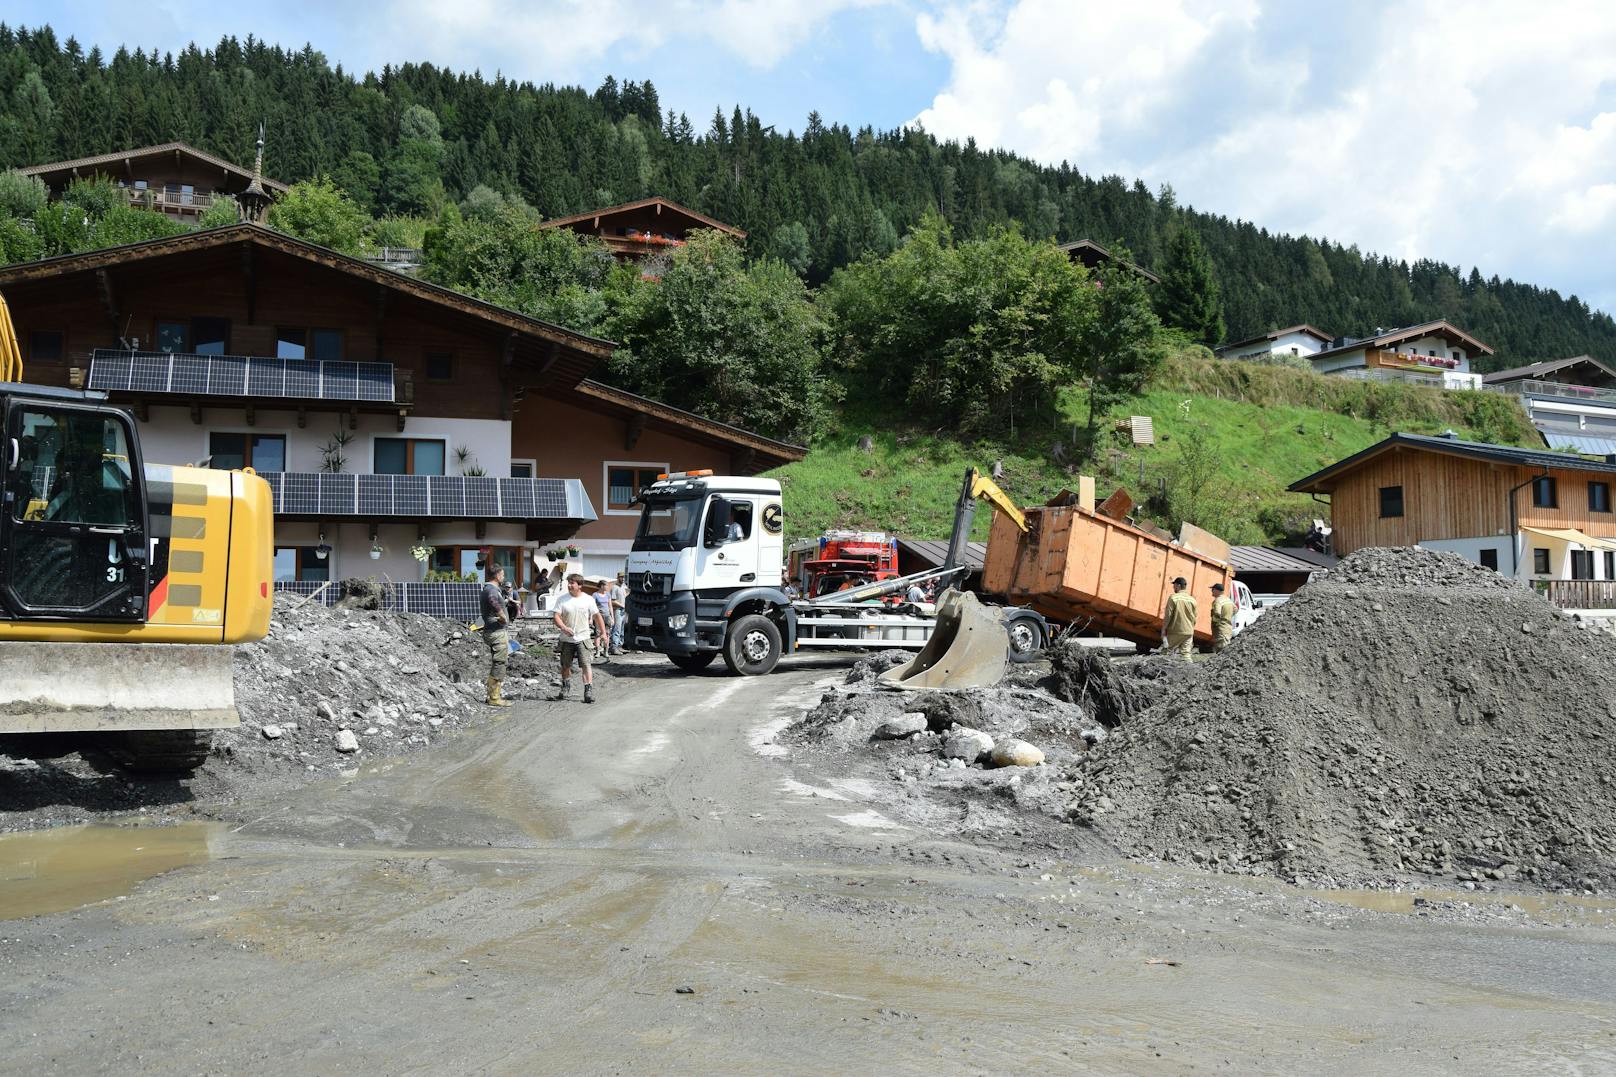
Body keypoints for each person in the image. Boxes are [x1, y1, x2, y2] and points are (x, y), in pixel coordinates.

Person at [553, 574, 607, 703]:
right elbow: (556, 616)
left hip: (583, 638)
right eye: (569, 583)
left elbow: (597, 616)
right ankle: (565, 687)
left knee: (586, 665)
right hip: (566, 639)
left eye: (572, 583)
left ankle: (588, 691)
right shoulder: (562, 599)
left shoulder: (588, 599)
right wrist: (564, 628)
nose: (569, 585)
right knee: (565, 665)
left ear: (580, 585)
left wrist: (603, 633)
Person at [480, 565, 513, 707]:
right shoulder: (491, 590)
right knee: (500, 664)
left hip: (494, 631)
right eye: (503, 574)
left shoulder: (488, 589)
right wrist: (502, 616)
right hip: (496, 632)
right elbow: (493, 600)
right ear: (497, 575)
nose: (504, 577)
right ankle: (494, 698)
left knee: (498, 663)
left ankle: (492, 695)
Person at [1161, 576, 1198, 661]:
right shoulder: (1192, 600)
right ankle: (1191, 671)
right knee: (1186, 654)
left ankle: (1166, 671)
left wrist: (1164, 629)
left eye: (1174, 585)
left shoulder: (1173, 598)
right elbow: (1195, 617)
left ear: (1178, 585)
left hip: (1175, 630)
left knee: (1167, 651)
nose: (1173, 587)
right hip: (1189, 631)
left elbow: (1168, 615)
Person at [1210, 582, 1236, 653]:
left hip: (1221, 628)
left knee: (1221, 649)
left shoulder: (1217, 601)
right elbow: (1235, 609)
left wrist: (1216, 624)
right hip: (1228, 627)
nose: (1211, 591)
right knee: (1226, 647)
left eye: (1213, 589)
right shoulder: (1228, 600)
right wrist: (1227, 616)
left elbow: (1217, 613)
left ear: (1217, 590)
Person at [592, 581, 613, 660]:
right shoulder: (595, 595)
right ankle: (597, 651)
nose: (607, 587)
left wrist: (612, 617)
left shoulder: (608, 594)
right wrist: (591, 617)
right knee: (598, 634)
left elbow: (610, 606)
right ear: (601, 586)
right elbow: (592, 606)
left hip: (607, 616)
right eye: (606, 585)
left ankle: (606, 651)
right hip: (599, 616)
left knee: (607, 634)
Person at [609, 571, 629, 655]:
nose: (623, 579)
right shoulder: (614, 587)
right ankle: (614, 647)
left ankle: (620, 646)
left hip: (623, 611)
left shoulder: (623, 587)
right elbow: (612, 601)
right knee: (616, 629)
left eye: (624, 577)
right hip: (617, 610)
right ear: (618, 577)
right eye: (621, 577)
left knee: (622, 630)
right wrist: (622, 605)